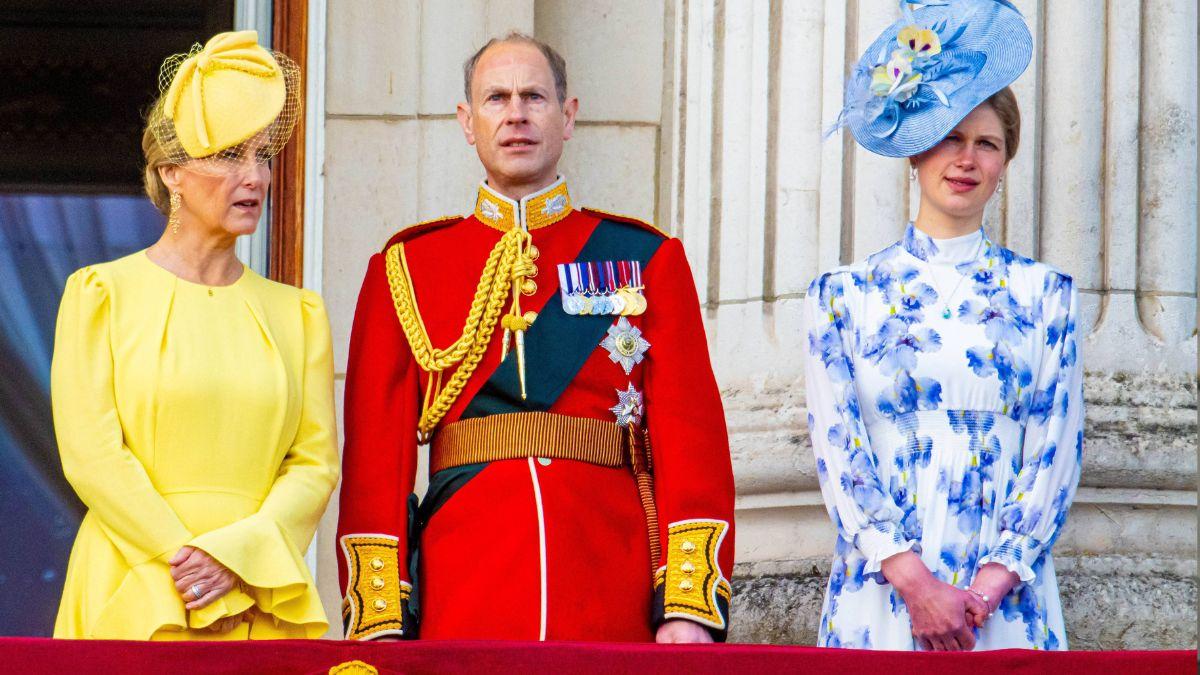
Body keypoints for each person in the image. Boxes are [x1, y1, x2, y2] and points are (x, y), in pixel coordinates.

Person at [336, 32, 734, 643]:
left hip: (610, 580)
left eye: (534, 97)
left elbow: (691, 440)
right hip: (466, 587)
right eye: (496, 98)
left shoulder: (646, 258)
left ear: (567, 116)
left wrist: (687, 605)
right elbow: (374, 464)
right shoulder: (407, 268)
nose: (516, 114)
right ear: (467, 122)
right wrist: (380, 619)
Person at [806, 0, 1082, 651]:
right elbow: (839, 449)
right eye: (951, 138)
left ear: (1004, 162)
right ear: (914, 151)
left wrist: (987, 588)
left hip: (1004, 600)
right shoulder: (844, 295)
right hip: (882, 588)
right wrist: (915, 583)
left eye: (986, 143)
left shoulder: (1046, 295)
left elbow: (1055, 450)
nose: (966, 158)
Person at [51, 30, 338, 640]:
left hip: (257, 591)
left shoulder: (299, 314)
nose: (255, 176)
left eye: (262, 155)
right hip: (135, 581)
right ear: (171, 173)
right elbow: (90, 454)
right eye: (230, 155)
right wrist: (187, 560)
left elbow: (315, 466)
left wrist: (238, 558)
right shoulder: (100, 293)